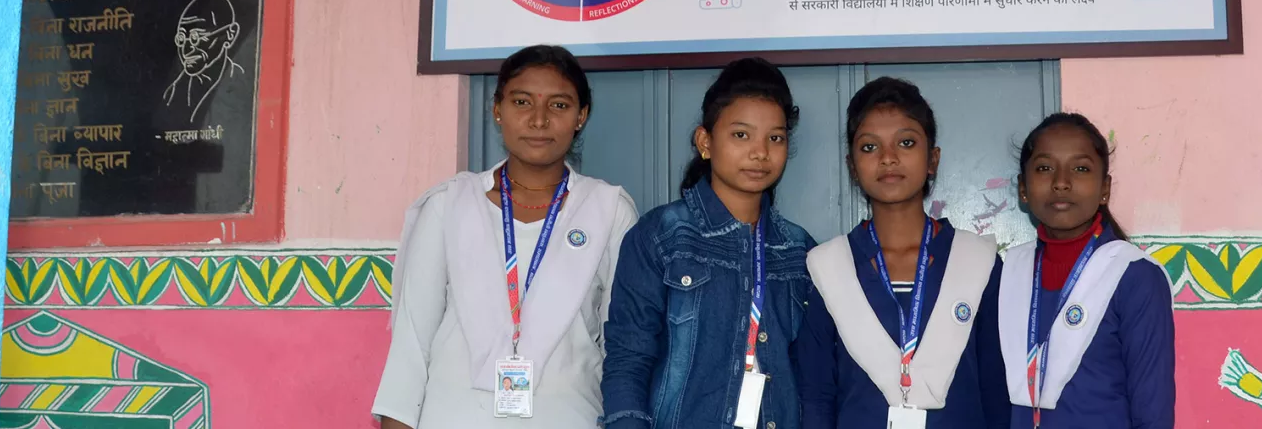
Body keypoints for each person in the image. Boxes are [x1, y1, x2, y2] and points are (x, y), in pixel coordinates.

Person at [373, 45, 638, 428]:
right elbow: (411, 345)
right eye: (522, 102)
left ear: (581, 116)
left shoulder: (609, 210)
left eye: (559, 106)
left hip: (568, 417)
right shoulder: (449, 205)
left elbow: (625, 348)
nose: (539, 120)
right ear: (497, 109)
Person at [601, 58, 815, 429]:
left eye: (775, 138)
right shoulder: (662, 235)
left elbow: (812, 376)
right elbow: (628, 358)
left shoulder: (798, 250)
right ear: (705, 141)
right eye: (741, 135)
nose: (760, 152)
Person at [796, 76, 1010, 429]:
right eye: (869, 148)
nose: (888, 158)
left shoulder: (977, 260)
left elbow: (996, 388)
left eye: (906, 142)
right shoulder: (829, 266)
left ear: (932, 159)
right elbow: (818, 393)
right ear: (852, 166)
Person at [998, 112, 1175, 429]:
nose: (1061, 182)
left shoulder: (1134, 276)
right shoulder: (1007, 271)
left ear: (1104, 188)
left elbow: (1153, 413)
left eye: (1080, 169)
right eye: (1044, 168)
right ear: (1023, 189)